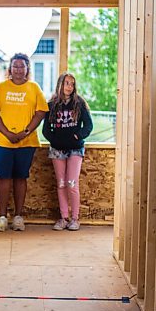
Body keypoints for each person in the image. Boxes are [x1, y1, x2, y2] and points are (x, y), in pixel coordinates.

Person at [0, 53, 48, 232]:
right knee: (3, 177)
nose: (19, 69)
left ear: (27, 69)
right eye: (15, 66)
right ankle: (2, 217)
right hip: (1, 142)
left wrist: (25, 132)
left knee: (21, 177)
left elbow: (40, 113)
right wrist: (7, 133)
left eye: (22, 66)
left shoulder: (34, 88)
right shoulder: (1, 87)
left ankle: (19, 217)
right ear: (10, 69)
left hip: (26, 142)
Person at [42, 73, 93, 231]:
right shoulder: (52, 105)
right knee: (61, 183)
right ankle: (63, 217)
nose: (69, 87)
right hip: (57, 149)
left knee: (72, 183)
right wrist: (54, 140)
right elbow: (45, 130)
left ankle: (75, 218)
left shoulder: (80, 104)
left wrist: (78, 136)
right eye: (66, 83)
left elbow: (88, 126)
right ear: (60, 85)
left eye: (72, 84)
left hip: (75, 149)